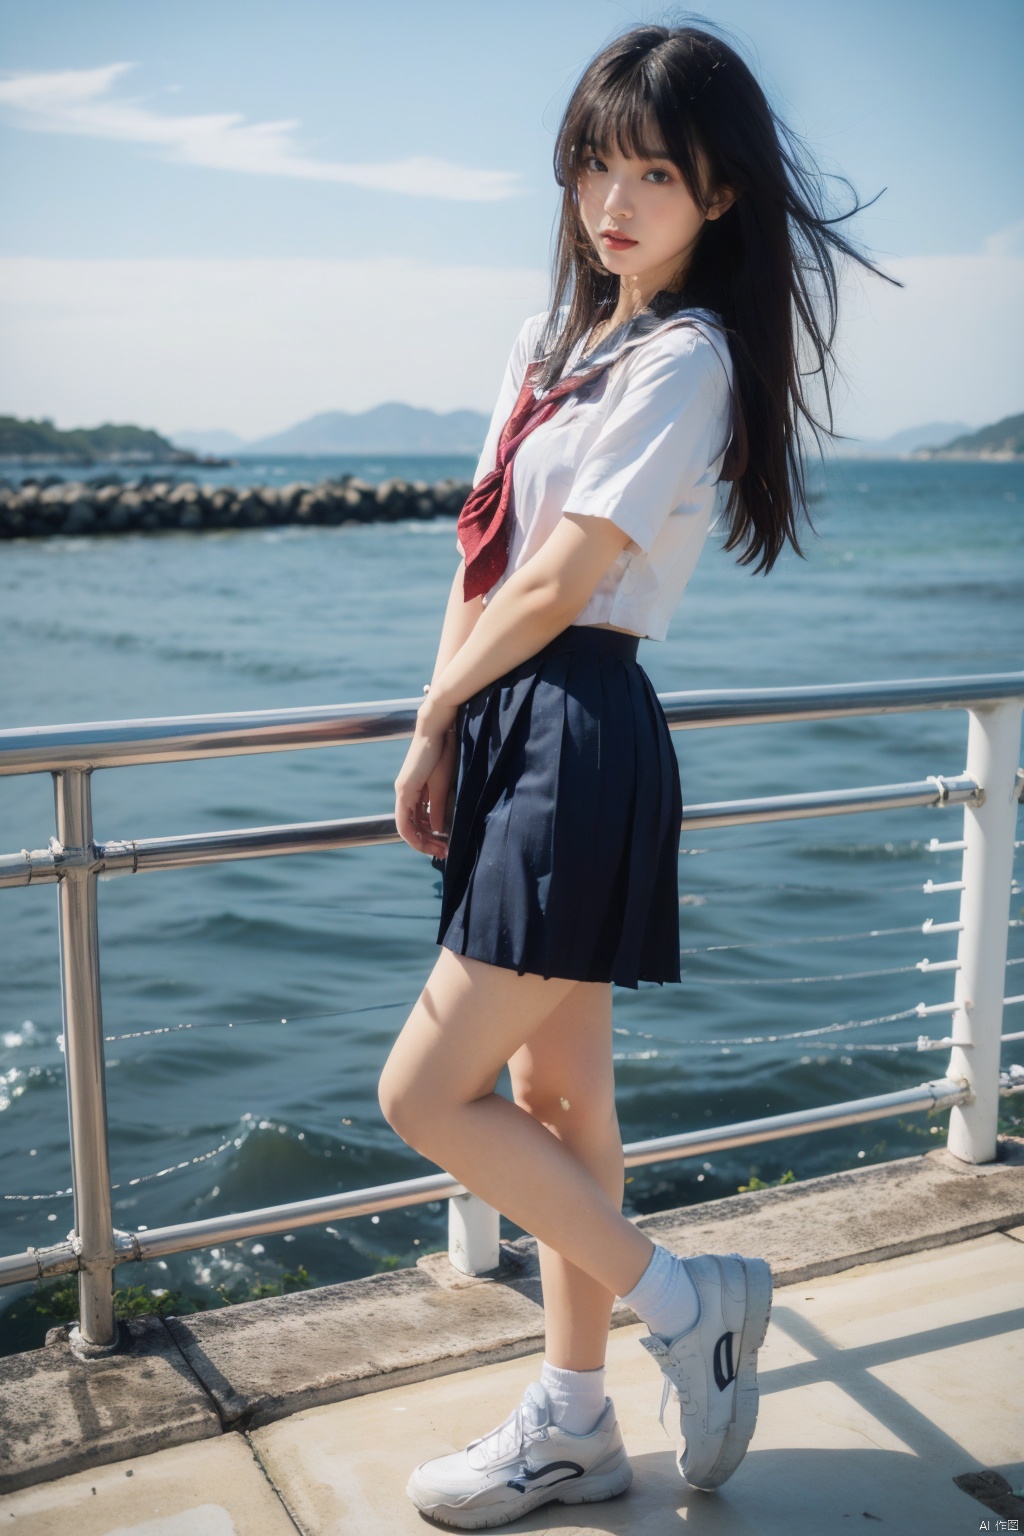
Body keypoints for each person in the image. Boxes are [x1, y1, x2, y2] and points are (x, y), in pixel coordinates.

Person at [380, 20, 895, 1530]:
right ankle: (578, 1425)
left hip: (578, 728)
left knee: (423, 1091)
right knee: (552, 1093)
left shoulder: (686, 359)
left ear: (718, 195)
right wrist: (436, 725)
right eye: (594, 166)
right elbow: (485, 554)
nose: (612, 200)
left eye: (652, 172)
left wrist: (443, 708)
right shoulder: (552, 350)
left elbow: (566, 580)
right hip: (503, 723)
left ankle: (688, 1303)